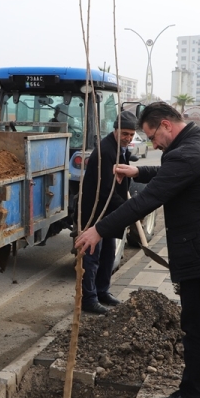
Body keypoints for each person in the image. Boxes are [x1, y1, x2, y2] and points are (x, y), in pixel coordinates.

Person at [74, 102, 200, 398]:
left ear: (167, 125)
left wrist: (98, 231)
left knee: (199, 330)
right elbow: (175, 173)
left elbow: (147, 200)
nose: (153, 145)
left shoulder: (186, 153)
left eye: (152, 136)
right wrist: (138, 170)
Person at [78, 111, 138, 315]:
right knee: (92, 256)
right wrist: (128, 209)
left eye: (131, 135)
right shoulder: (105, 151)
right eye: (125, 133)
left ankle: (103, 291)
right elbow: (105, 190)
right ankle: (89, 298)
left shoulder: (121, 149)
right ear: (115, 129)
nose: (128, 138)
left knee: (108, 254)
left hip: (109, 212)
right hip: (96, 211)